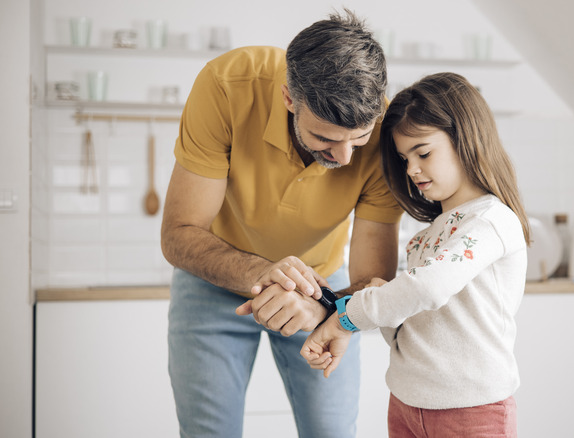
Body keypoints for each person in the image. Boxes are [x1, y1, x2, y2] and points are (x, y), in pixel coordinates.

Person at [161, 10, 403, 438]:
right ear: (290, 98)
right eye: (326, 138)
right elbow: (179, 234)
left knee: (333, 431)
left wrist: (322, 306)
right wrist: (261, 272)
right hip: (212, 282)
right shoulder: (227, 85)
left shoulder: (386, 134)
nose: (346, 157)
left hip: (324, 285)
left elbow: (371, 281)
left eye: (358, 138)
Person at [301, 72, 531, 437]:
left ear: (465, 137)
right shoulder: (424, 239)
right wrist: (368, 307)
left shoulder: (490, 221)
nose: (411, 169)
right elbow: (409, 325)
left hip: (473, 410)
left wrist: (346, 319)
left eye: (422, 152)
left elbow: (427, 289)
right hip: (407, 403)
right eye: (404, 158)